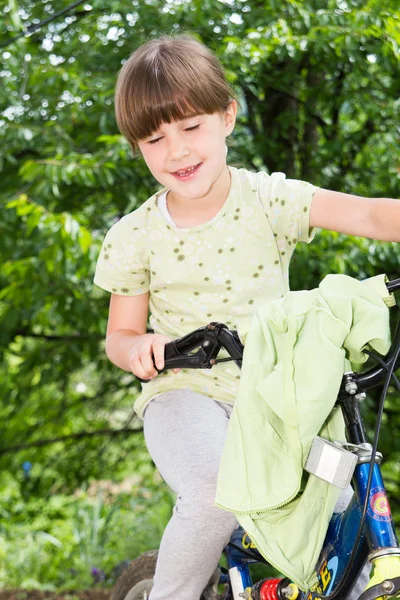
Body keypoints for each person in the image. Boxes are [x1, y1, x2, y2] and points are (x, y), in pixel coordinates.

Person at [94, 33, 400, 600]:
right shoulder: (134, 237)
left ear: (227, 117)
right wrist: (136, 347)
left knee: (342, 504)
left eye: (191, 127)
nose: (178, 151)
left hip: (275, 395)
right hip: (185, 392)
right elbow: (120, 335)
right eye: (156, 139)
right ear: (138, 147)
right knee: (212, 490)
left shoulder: (267, 201)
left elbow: (369, 215)